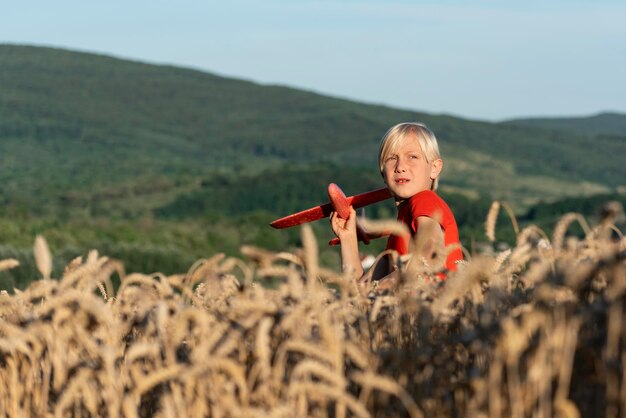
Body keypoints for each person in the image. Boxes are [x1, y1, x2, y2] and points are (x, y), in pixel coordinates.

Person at [330, 122, 463, 285]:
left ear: (434, 168)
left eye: (412, 157)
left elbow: (430, 257)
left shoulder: (424, 200)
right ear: (383, 173)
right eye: (391, 158)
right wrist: (348, 238)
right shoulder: (397, 237)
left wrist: (377, 289)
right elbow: (360, 291)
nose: (400, 167)